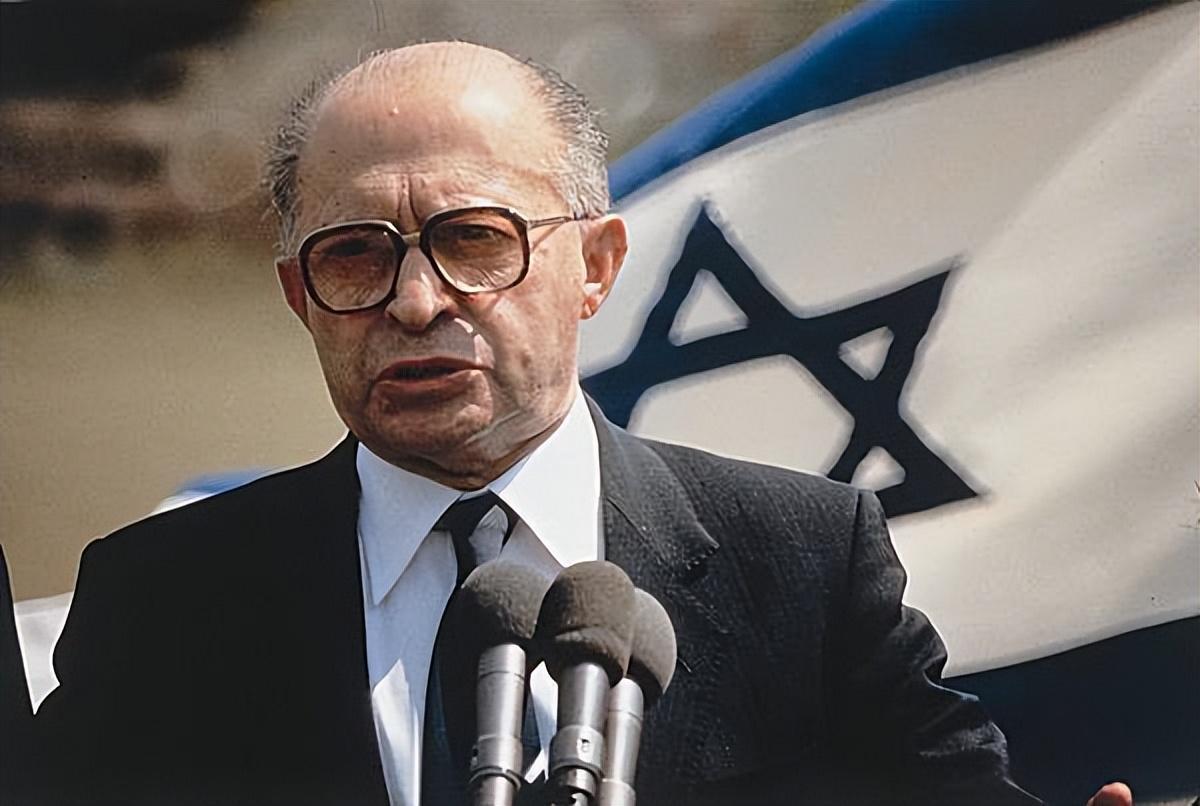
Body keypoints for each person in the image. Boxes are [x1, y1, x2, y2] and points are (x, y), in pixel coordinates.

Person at [24, 42, 1134, 806]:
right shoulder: (166, 600)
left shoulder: (801, 560)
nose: (415, 302)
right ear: (298, 296)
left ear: (595, 266)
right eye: (354, 255)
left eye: (474, 239)